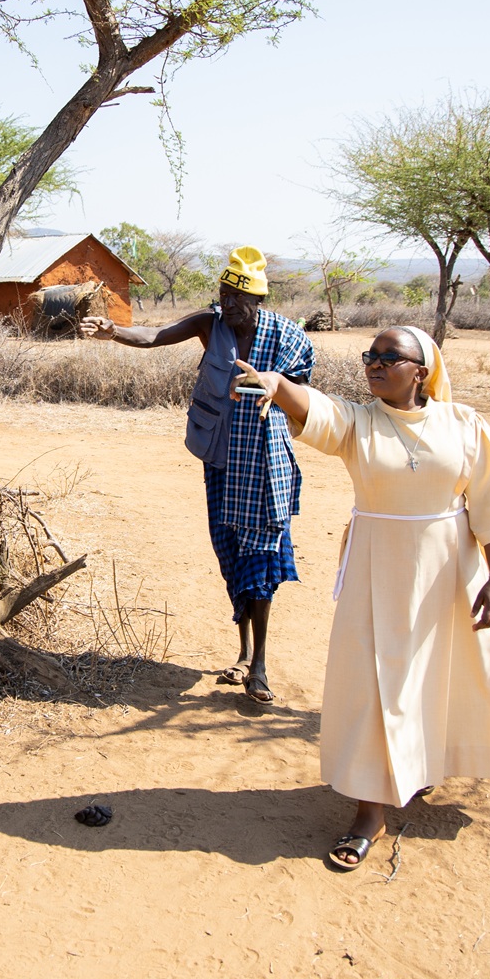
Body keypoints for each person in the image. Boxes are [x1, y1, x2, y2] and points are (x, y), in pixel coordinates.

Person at [231, 326, 490, 870]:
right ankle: (369, 813)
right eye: (369, 357)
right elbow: (316, 408)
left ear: (421, 370)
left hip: (450, 573)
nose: (374, 364)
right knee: (375, 685)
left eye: (388, 357)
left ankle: (417, 768)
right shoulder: (360, 421)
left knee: (436, 677)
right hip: (378, 573)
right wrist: (276, 383)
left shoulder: (465, 424)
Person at [82, 246, 314, 704]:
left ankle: (260, 666)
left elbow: (302, 395)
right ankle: (245, 650)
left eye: (236, 299)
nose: (226, 305)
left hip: (266, 464)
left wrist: (275, 390)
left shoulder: (286, 337)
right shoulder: (210, 324)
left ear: (258, 302)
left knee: (261, 557)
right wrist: (115, 332)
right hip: (222, 460)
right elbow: (156, 334)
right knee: (231, 555)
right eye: (223, 294)